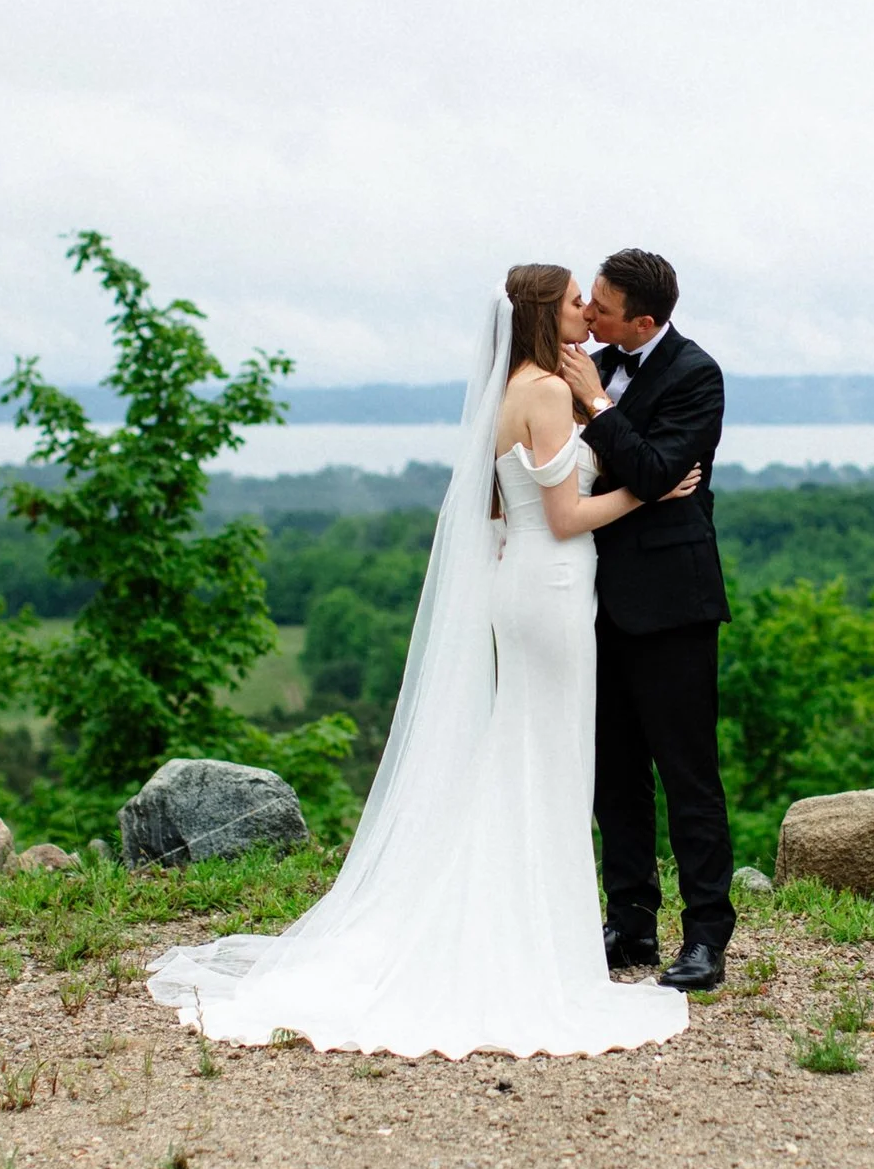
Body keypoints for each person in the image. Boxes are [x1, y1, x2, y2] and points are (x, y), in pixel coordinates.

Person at [145, 265, 699, 1058]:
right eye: (576, 300)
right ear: (545, 313)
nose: (587, 310)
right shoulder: (547, 391)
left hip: (528, 583)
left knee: (528, 752)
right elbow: (566, 515)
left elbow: (503, 506)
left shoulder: (518, 388)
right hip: (550, 587)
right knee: (548, 759)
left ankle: (521, 925)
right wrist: (653, 491)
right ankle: (529, 944)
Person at [553, 250, 735, 992]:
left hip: (672, 605)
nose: (590, 315)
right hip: (593, 597)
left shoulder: (695, 374)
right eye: (590, 300)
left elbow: (659, 471)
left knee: (688, 775)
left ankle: (706, 937)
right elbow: (600, 472)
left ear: (645, 320)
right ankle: (629, 923)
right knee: (615, 773)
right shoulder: (591, 364)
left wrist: (600, 409)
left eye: (602, 307)